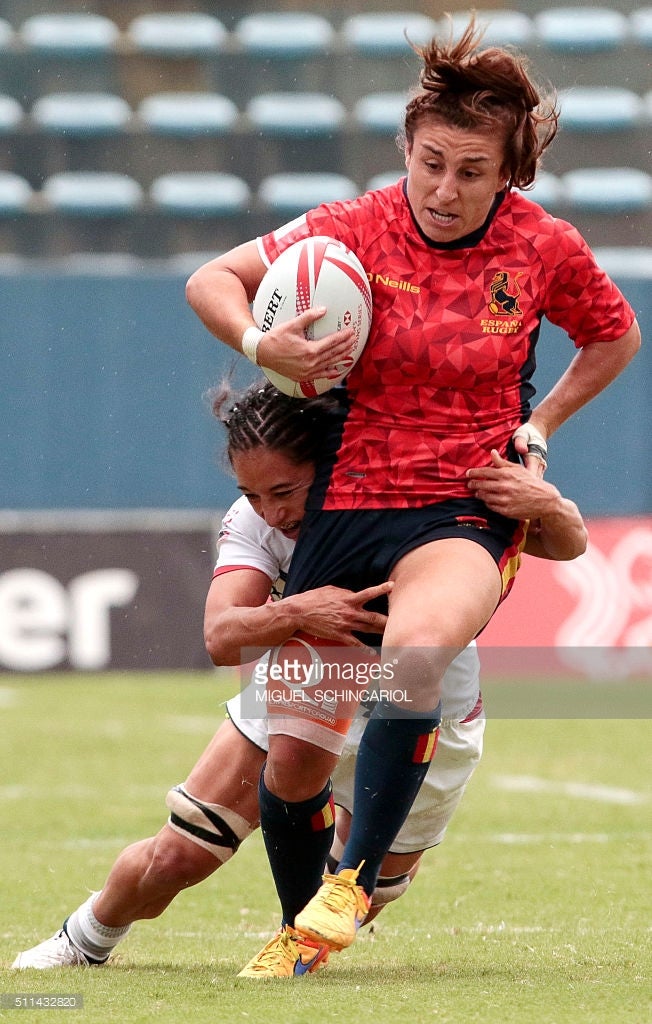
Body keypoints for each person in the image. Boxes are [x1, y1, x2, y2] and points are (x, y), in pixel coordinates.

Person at [185, 16, 639, 964]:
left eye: (472, 170)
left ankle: (349, 888)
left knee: (419, 654)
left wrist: (540, 427)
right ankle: (294, 927)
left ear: (508, 172)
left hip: (460, 506)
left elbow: (614, 334)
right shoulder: (352, 226)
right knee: (298, 755)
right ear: (407, 147)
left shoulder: (543, 246)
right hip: (346, 501)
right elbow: (212, 279)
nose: (445, 187)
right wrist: (262, 345)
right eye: (431, 162)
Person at [11, 382, 587, 977]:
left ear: (335, 461)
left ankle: (300, 936)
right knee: (180, 853)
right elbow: (221, 636)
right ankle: (84, 939)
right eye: (252, 494)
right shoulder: (254, 522)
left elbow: (564, 546)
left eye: (284, 491)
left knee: (365, 891)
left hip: (428, 705)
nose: (272, 513)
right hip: (308, 678)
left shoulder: (418, 493)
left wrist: (550, 502)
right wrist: (298, 611)